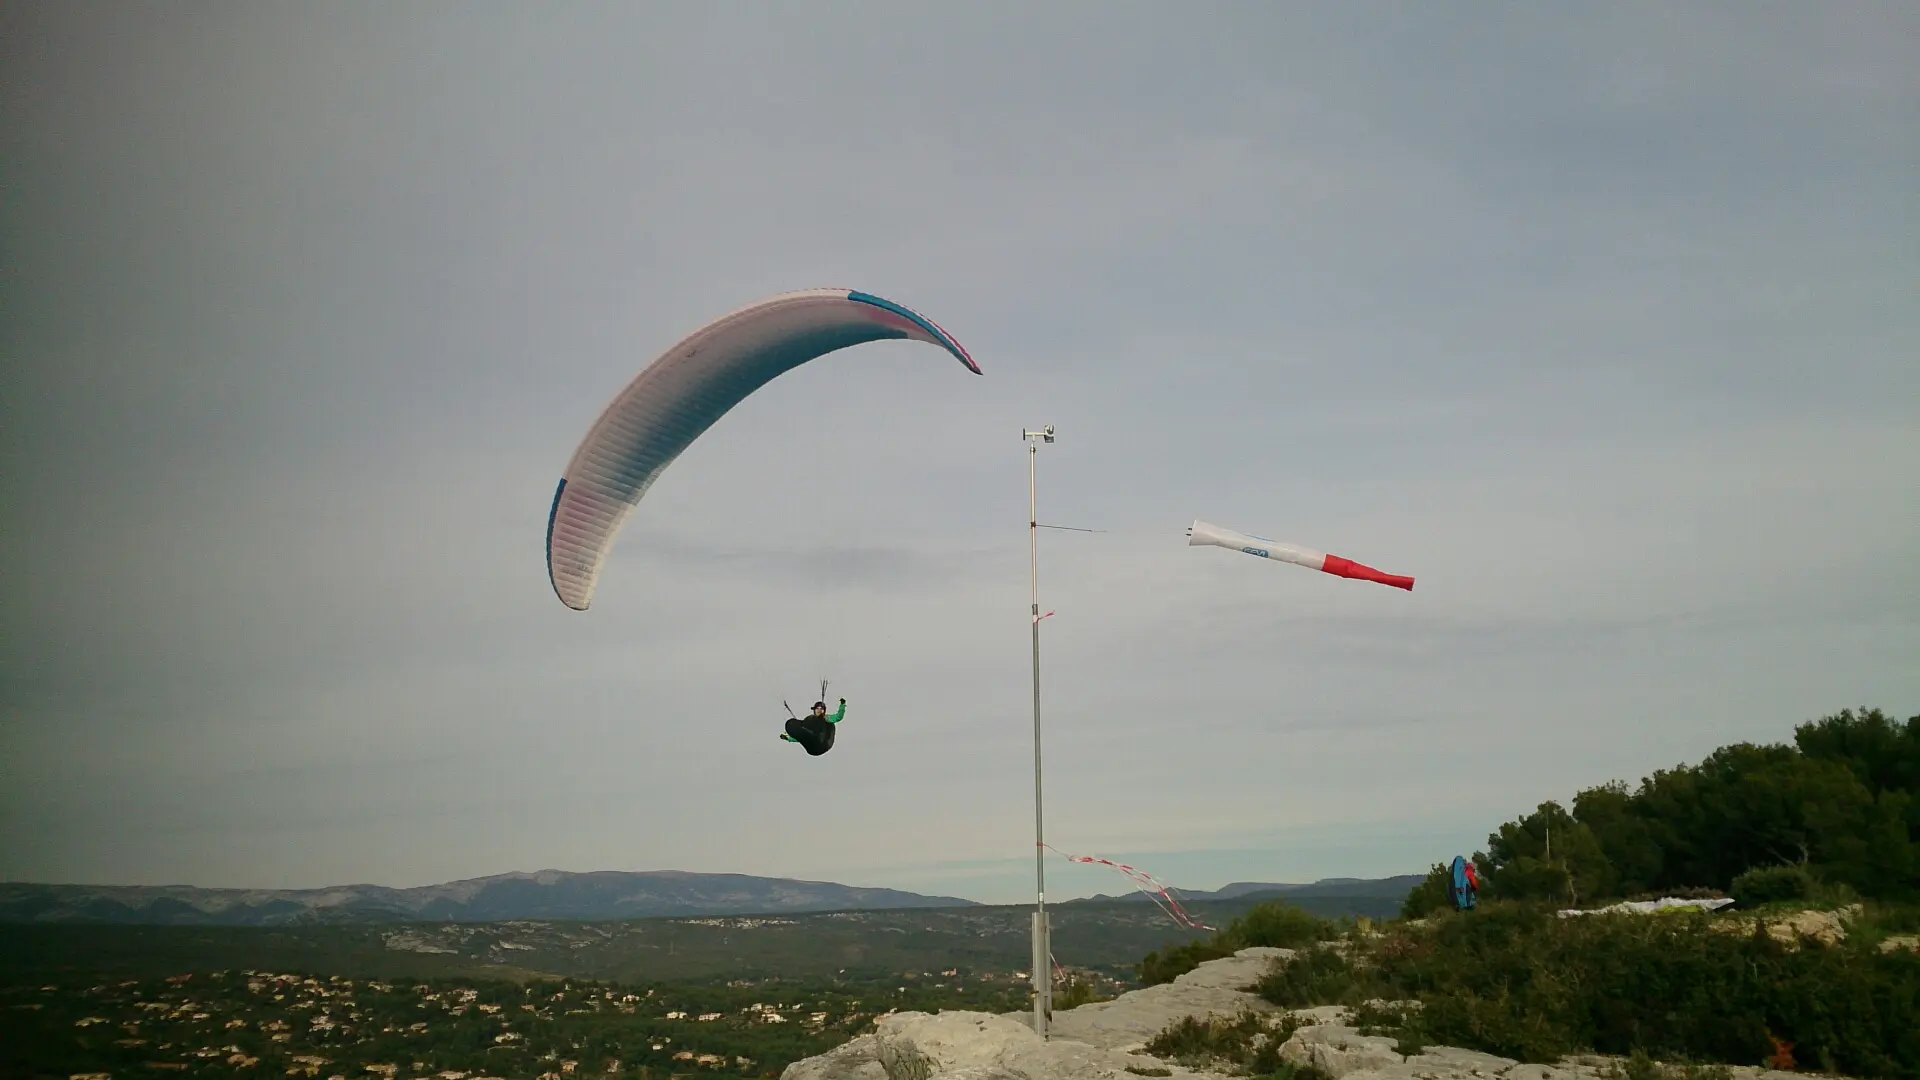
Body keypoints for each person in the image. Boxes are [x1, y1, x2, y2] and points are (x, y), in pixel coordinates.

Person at [781, 697, 846, 756]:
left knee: (813, 721)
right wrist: (788, 738)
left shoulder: (826, 718)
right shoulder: (811, 720)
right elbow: (802, 737)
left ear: (824, 710)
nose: (819, 710)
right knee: (804, 724)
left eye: (821, 709)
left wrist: (842, 705)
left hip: (822, 745)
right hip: (812, 749)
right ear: (814, 710)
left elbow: (838, 717)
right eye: (817, 709)